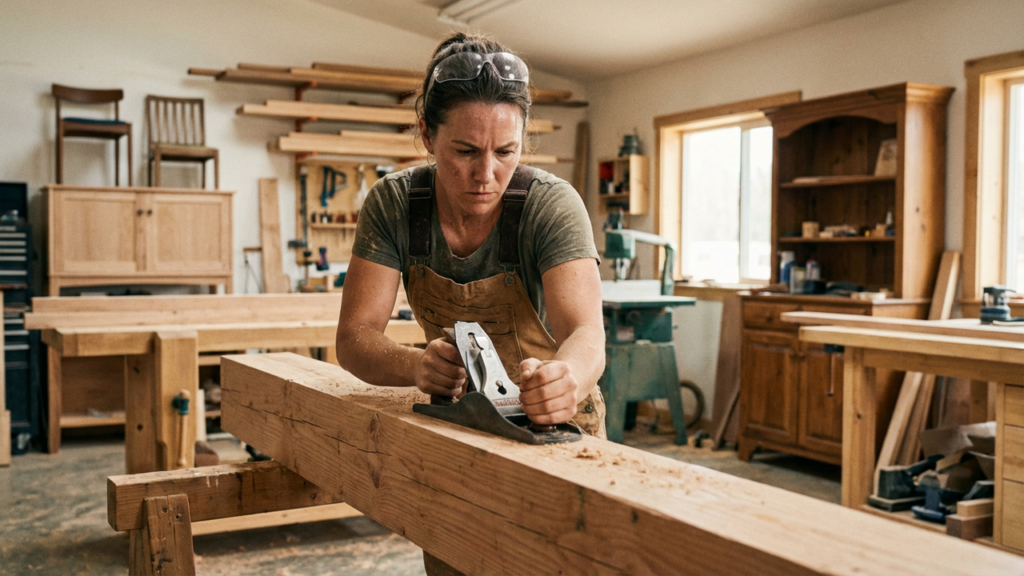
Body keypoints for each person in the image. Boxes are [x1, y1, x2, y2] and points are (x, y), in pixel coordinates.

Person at [335, 30, 606, 574]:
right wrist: (418, 366)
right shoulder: (395, 206)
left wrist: (566, 378)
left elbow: (587, 333)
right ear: (426, 134)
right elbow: (354, 337)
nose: (486, 176)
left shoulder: (550, 206)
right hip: (458, 426)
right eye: (463, 152)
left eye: (505, 152)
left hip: (554, 428)